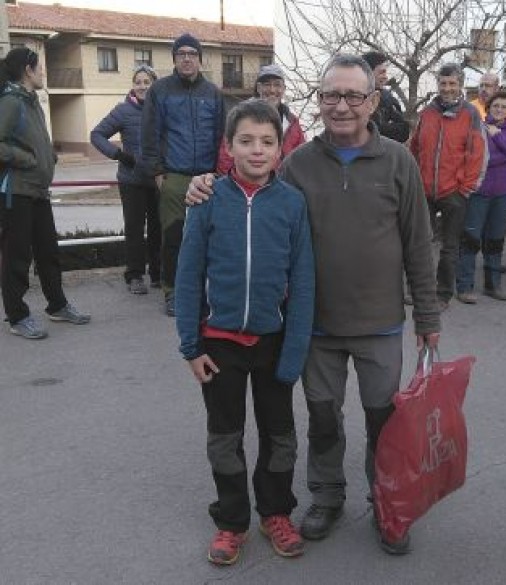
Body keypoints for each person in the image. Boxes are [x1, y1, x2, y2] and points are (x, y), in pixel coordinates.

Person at [185, 54, 441, 555]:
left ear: (372, 101)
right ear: (319, 101)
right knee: (322, 421)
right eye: (330, 95)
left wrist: (427, 317)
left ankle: (389, 505)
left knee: (383, 424)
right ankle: (326, 497)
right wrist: (204, 183)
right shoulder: (297, 165)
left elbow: (417, 244)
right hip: (315, 330)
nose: (340, 106)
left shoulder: (399, 161)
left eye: (352, 96)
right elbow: (252, 194)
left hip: (380, 324)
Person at [175, 99, 314, 565]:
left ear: (280, 148)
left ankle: (275, 511)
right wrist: (191, 347)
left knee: (280, 437)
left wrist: (294, 353)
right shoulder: (208, 199)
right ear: (228, 146)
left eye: (267, 142)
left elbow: (304, 282)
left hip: (273, 344)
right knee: (225, 437)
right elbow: (189, 275)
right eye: (246, 141)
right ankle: (231, 521)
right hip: (219, 346)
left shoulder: (292, 204)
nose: (257, 151)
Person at [0, 47, 90, 340]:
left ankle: (57, 305)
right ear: (28, 69)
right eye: (39, 66)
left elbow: (29, 138)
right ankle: (17, 316)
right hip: (17, 191)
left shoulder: (32, 101)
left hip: (37, 190)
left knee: (48, 252)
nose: (43, 71)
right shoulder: (12, 101)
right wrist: (28, 160)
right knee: (17, 257)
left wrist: (47, 155)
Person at [141, 33, 225, 316]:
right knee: (174, 237)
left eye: (192, 53)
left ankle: (203, 290)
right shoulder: (160, 90)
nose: (187, 58)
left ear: (200, 59)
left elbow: (221, 135)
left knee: (208, 237)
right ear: (174, 59)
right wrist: (157, 172)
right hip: (174, 177)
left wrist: (220, 172)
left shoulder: (212, 92)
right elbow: (149, 133)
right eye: (181, 54)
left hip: (208, 176)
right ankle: (172, 291)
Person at [410, 62, 487, 310]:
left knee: (449, 247)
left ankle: (443, 294)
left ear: (461, 85)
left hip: (454, 190)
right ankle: (419, 291)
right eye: (443, 83)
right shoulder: (427, 113)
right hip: (424, 189)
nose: (447, 88)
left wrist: (466, 188)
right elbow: (414, 149)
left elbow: (478, 153)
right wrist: (413, 181)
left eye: (452, 83)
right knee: (419, 243)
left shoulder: (471, 115)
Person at [90, 64, 161, 295]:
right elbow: (96, 134)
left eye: (146, 82)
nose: (142, 86)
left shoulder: (164, 109)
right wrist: (119, 154)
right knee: (134, 229)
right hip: (132, 180)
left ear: (154, 85)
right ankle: (135, 276)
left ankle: (158, 274)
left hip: (159, 179)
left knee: (159, 229)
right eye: (138, 82)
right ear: (133, 86)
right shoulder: (123, 111)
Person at [456, 91, 506, 303]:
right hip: (479, 192)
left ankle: (493, 285)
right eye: (496, 106)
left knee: (495, 240)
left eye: (504, 107)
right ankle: (464, 287)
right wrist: (503, 154)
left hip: (501, 194)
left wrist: (497, 136)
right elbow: (480, 158)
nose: (499, 110)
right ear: (488, 108)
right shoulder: (477, 130)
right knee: (470, 239)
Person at [216, 64, 305, 174]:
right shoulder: (240, 117)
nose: (272, 90)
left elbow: (302, 157)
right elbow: (225, 160)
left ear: (283, 89)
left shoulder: (292, 122)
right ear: (258, 88)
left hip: (284, 187)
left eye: (277, 85)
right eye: (267, 85)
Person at [361, 51, 410, 142]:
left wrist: (380, 129)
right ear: (368, 73)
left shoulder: (389, 99)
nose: (386, 77)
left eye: (385, 73)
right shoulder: (353, 99)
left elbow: (404, 131)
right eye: (381, 73)